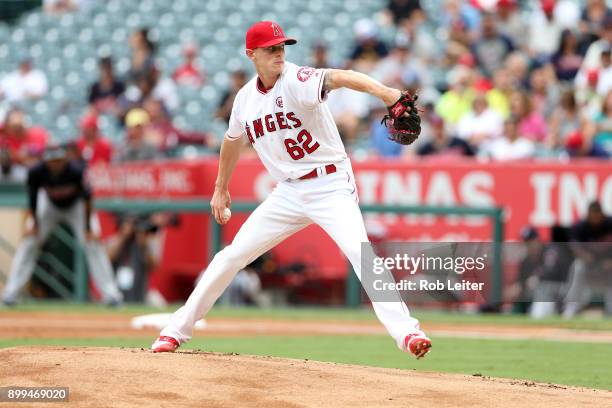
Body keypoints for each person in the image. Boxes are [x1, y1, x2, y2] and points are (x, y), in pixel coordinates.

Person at [151, 21, 431, 359]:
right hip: (288, 192)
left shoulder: (296, 79)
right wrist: (220, 187)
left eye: (282, 45)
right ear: (251, 54)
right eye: (270, 48)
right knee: (232, 256)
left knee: (361, 253)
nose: (279, 52)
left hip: (330, 185)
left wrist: (388, 94)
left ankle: (408, 333)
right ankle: (175, 331)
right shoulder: (244, 100)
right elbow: (231, 141)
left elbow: (341, 76)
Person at [1, 144, 122, 306]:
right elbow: (33, 196)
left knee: (93, 244)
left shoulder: (76, 170)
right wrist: (34, 223)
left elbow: (87, 198)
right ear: (46, 161)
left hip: (77, 207)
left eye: (59, 160)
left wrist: (87, 228)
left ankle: (111, 295)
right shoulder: (37, 171)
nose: (55, 164)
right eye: (52, 160)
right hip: (48, 205)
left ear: (65, 159)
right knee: (29, 242)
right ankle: (11, 294)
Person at [563, 201, 612, 318]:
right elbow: (573, 246)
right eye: (592, 215)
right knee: (578, 266)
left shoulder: (610, 224)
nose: (595, 219)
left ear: (602, 214)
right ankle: (572, 308)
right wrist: (585, 256)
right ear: (588, 215)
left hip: (608, 268)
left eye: (597, 215)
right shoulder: (581, 227)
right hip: (589, 267)